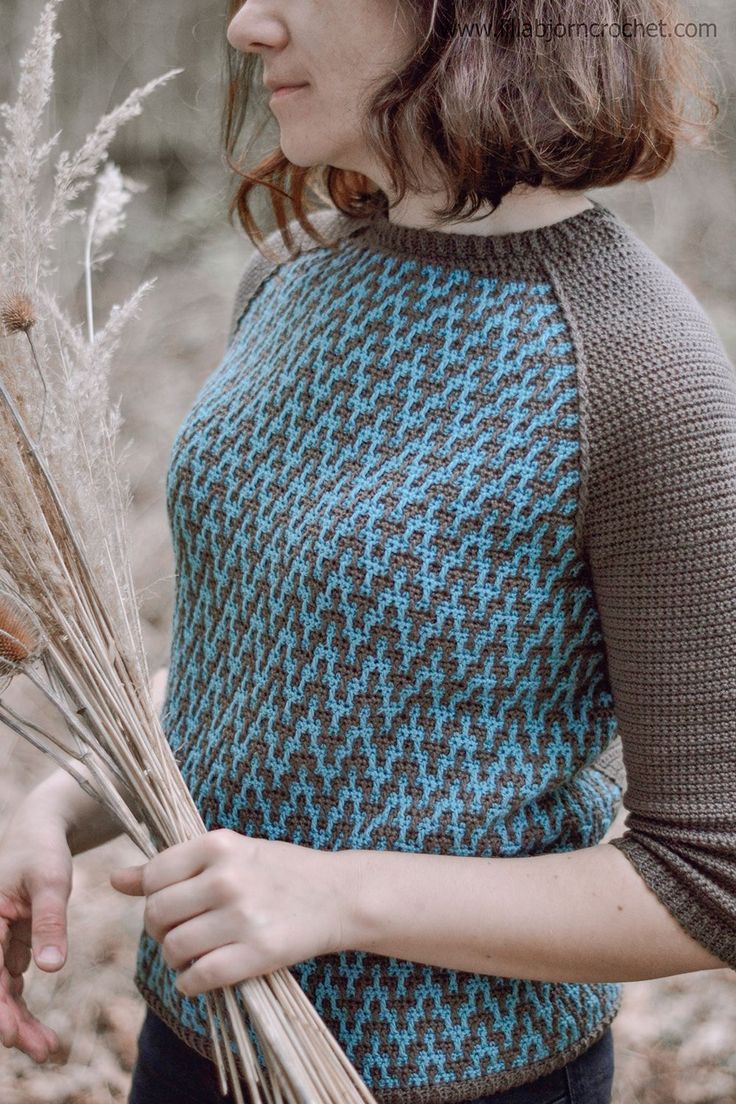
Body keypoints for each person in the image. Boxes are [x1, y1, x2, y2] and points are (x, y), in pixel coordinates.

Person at [1, 2, 734, 1103]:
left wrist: (337, 897)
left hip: (465, 1083)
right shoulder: (295, 275)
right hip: (193, 1045)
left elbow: (710, 879)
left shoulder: (640, 371)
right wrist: (59, 802)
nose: (247, 25)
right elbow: (254, 669)